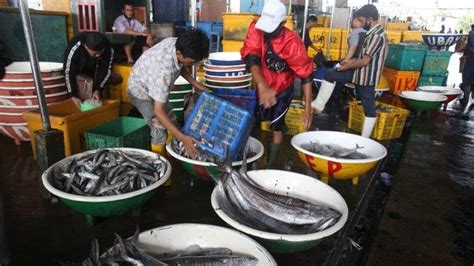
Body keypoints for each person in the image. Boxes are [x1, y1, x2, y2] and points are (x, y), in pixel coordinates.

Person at [241, 0, 313, 169]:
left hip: (282, 90)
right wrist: (262, 85)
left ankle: (271, 164)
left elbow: (306, 74)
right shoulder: (256, 28)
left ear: (283, 23)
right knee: (252, 123)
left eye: (272, 27)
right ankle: (252, 158)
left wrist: (308, 107)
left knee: (276, 127)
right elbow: (251, 56)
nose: (266, 30)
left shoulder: (292, 43)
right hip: (259, 86)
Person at [127, 29, 210, 157]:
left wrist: (195, 83)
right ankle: (159, 160)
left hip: (152, 83)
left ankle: (172, 151)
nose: (194, 64)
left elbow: (180, 65)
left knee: (172, 121)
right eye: (193, 62)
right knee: (159, 129)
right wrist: (183, 138)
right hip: (140, 91)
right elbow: (158, 111)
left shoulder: (176, 43)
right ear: (179, 53)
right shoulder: (164, 71)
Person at [311, 4, 388, 138]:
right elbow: (362, 57)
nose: (362, 24)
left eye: (362, 20)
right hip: (359, 74)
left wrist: (347, 66)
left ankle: (365, 139)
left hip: (365, 77)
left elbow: (365, 61)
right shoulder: (372, 34)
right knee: (330, 74)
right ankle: (319, 104)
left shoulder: (376, 35)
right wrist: (349, 61)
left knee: (369, 108)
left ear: (369, 18)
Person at [63, 32, 114, 109]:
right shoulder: (75, 47)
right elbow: (68, 71)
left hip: (92, 72)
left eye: (100, 52)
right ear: (86, 47)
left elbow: (106, 70)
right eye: (95, 54)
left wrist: (98, 89)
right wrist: (72, 95)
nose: (98, 55)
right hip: (77, 69)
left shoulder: (108, 47)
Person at [461, 24, 474, 104]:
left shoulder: (471, 35)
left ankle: (465, 99)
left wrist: (463, 55)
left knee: (467, 77)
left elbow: (466, 46)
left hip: (471, 58)